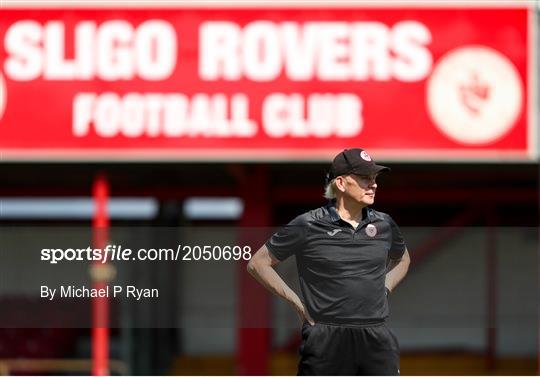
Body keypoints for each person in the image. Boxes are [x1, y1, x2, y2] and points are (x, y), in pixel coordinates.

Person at [247, 148, 410, 376]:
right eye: (365, 178)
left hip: (376, 336)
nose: (373, 184)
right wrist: (297, 303)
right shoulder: (307, 224)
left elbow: (403, 258)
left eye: (374, 178)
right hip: (325, 338)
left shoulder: (385, 224)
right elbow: (258, 264)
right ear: (341, 183)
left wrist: (384, 287)